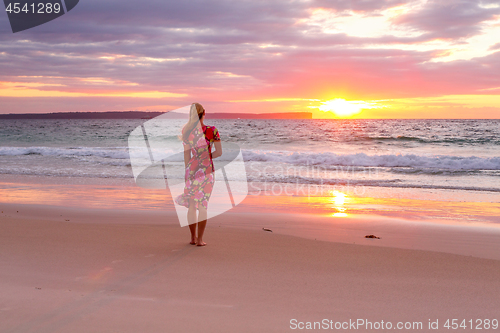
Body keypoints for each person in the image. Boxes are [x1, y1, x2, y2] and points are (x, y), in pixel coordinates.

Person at [175, 103, 222, 246]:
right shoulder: (212, 130)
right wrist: (206, 158)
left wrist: (188, 171)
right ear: (204, 113)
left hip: (191, 171)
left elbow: (186, 155)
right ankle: (200, 240)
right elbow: (219, 152)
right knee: (203, 205)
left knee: (191, 205)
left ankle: (192, 238)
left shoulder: (187, 131)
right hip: (207, 171)